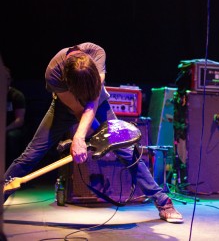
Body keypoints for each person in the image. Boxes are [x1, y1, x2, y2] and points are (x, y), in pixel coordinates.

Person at [3, 42, 183, 223]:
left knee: (126, 152)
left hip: (98, 104)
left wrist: (94, 138)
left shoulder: (96, 53)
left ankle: (163, 202)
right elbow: (78, 109)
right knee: (31, 155)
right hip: (64, 108)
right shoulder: (53, 72)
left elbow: (92, 103)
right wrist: (83, 139)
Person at [5, 67, 26, 169]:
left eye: (7, 79)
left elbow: (19, 120)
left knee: (11, 136)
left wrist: (4, 130)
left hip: (12, 128)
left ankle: (11, 170)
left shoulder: (16, 96)